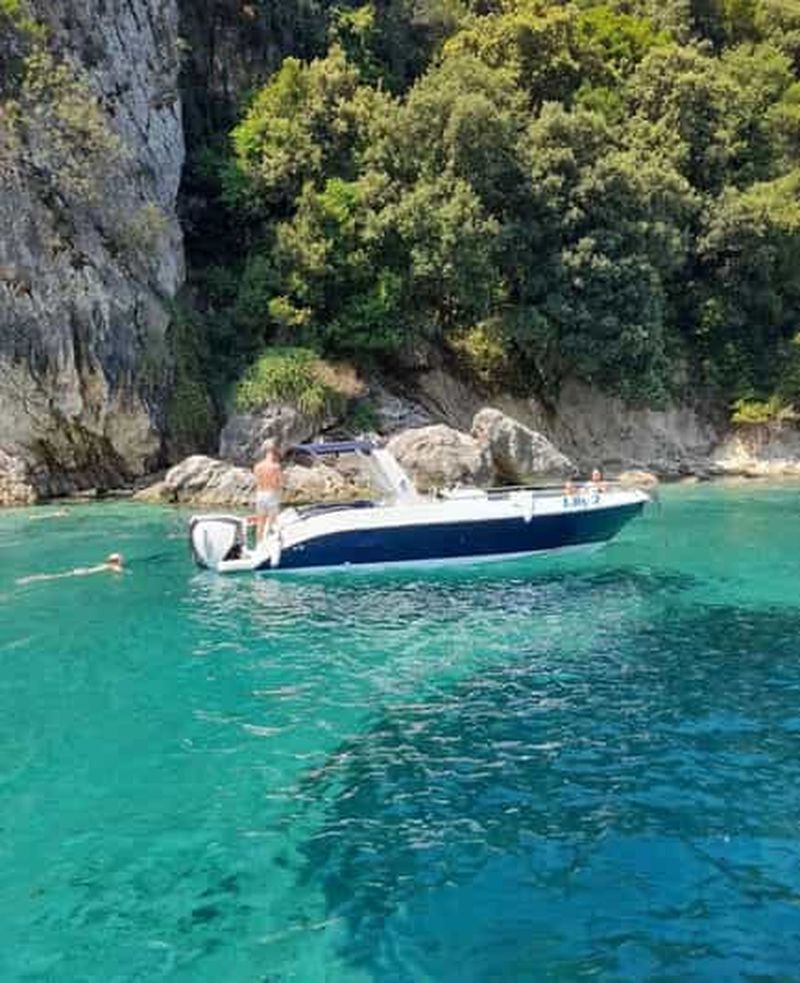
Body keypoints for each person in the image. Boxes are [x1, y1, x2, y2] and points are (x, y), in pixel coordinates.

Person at [17, 553, 124, 585]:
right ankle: (35, 578)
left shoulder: (105, 564)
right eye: (120, 559)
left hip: (84, 570)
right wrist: (127, 572)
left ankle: (36, 578)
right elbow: (119, 572)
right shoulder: (113, 566)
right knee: (58, 577)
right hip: (85, 573)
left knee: (60, 576)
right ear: (117, 561)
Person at [253, 440, 283, 542]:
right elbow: (278, 483)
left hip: (260, 494)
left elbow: (257, 482)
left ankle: (259, 542)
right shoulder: (276, 467)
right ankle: (269, 542)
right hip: (271, 494)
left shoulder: (257, 467)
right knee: (272, 520)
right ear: (274, 452)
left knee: (260, 521)